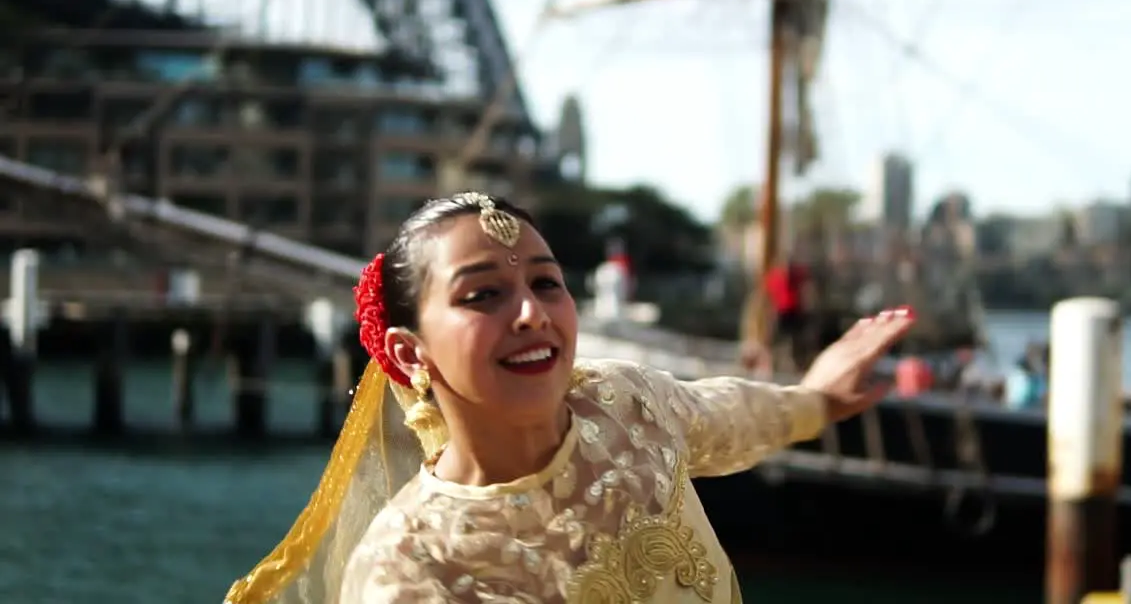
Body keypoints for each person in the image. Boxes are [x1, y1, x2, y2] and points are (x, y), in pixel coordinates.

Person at [223, 192, 914, 604]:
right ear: (410, 352)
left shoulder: (626, 405)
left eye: (547, 284)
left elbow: (732, 419)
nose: (531, 314)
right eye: (483, 295)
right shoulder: (408, 566)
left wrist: (818, 399)